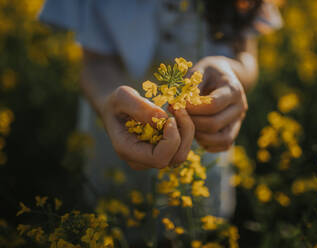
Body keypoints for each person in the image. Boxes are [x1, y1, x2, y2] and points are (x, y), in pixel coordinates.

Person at [39, 0, 282, 244]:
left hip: (199, 162)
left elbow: (246, 53)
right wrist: (106, 103)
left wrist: (233, 72)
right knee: (114, 231)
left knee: (195, 232)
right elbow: (94, 61)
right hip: (115, 145)